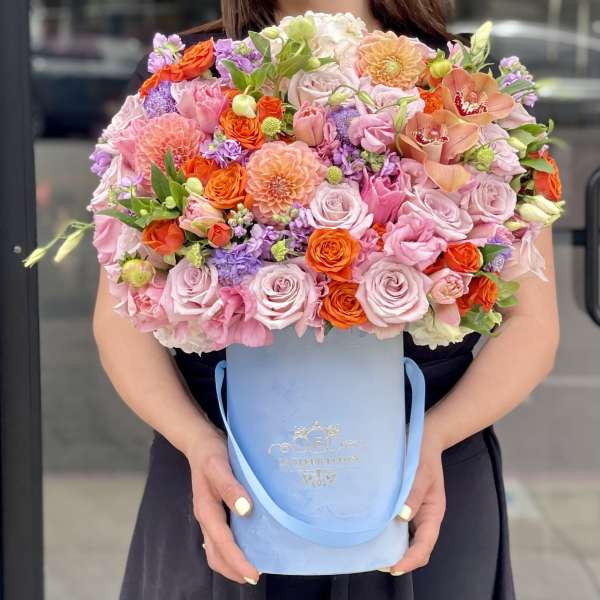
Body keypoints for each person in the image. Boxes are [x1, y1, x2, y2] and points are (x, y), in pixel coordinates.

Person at [92, 0, 560, 598]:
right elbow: (120, 314)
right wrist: (196, 442)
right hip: (223, 474)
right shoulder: (188, 76)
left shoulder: (466, 82)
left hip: (427, 476)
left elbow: (531, 321)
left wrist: (436, 436)